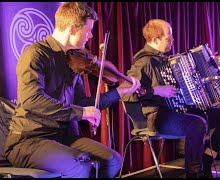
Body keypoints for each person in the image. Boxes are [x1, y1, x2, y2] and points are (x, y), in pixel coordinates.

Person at [3, 2, 141, 178]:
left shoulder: (73, 60)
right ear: (73, 28)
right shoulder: (36, 54)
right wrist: (81, 112)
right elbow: (32, 100)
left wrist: (119, 92)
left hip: (59, 137)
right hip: (28, 140)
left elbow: (82, 103)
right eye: (88, 30)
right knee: (79, 166)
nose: (90, 36)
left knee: (112, 159)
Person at [122, 19, 220, 178]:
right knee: (197, 124)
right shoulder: (144, 62)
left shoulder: (164, 59)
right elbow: (125, 92)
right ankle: (193, 173)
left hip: (179, 111)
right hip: (158, 116)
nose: (172, 40)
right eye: (168, 38)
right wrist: (156, 90)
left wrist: (212, 65)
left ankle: (206, 160)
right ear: (155, 39)